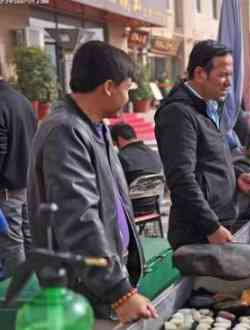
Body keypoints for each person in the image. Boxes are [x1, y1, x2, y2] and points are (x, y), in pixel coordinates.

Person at [27, 41, 157, 323]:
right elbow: (78, 218)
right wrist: (118, 291)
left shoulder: (94, 126)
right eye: (127, 88)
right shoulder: (65, 130)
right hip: (82, 287)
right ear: (109, 86)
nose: (129, 95)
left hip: (100, 279)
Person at [155, 40, 250, 249]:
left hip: (218, 223)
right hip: (200, 232)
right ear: (199, 73)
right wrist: (211, 227)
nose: (228, 83)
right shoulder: (178, 113)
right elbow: (181, 178)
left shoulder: (209, 106)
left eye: (230, 76)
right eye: (222, 75)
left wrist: (234, 178)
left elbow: (208, 162)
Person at [0, 61, 37, 278]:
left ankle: (18, 299)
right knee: (30, 239)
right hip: (26, 184)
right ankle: (35, 292)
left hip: (7, 190)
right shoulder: (22, 100)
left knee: (11, 244)